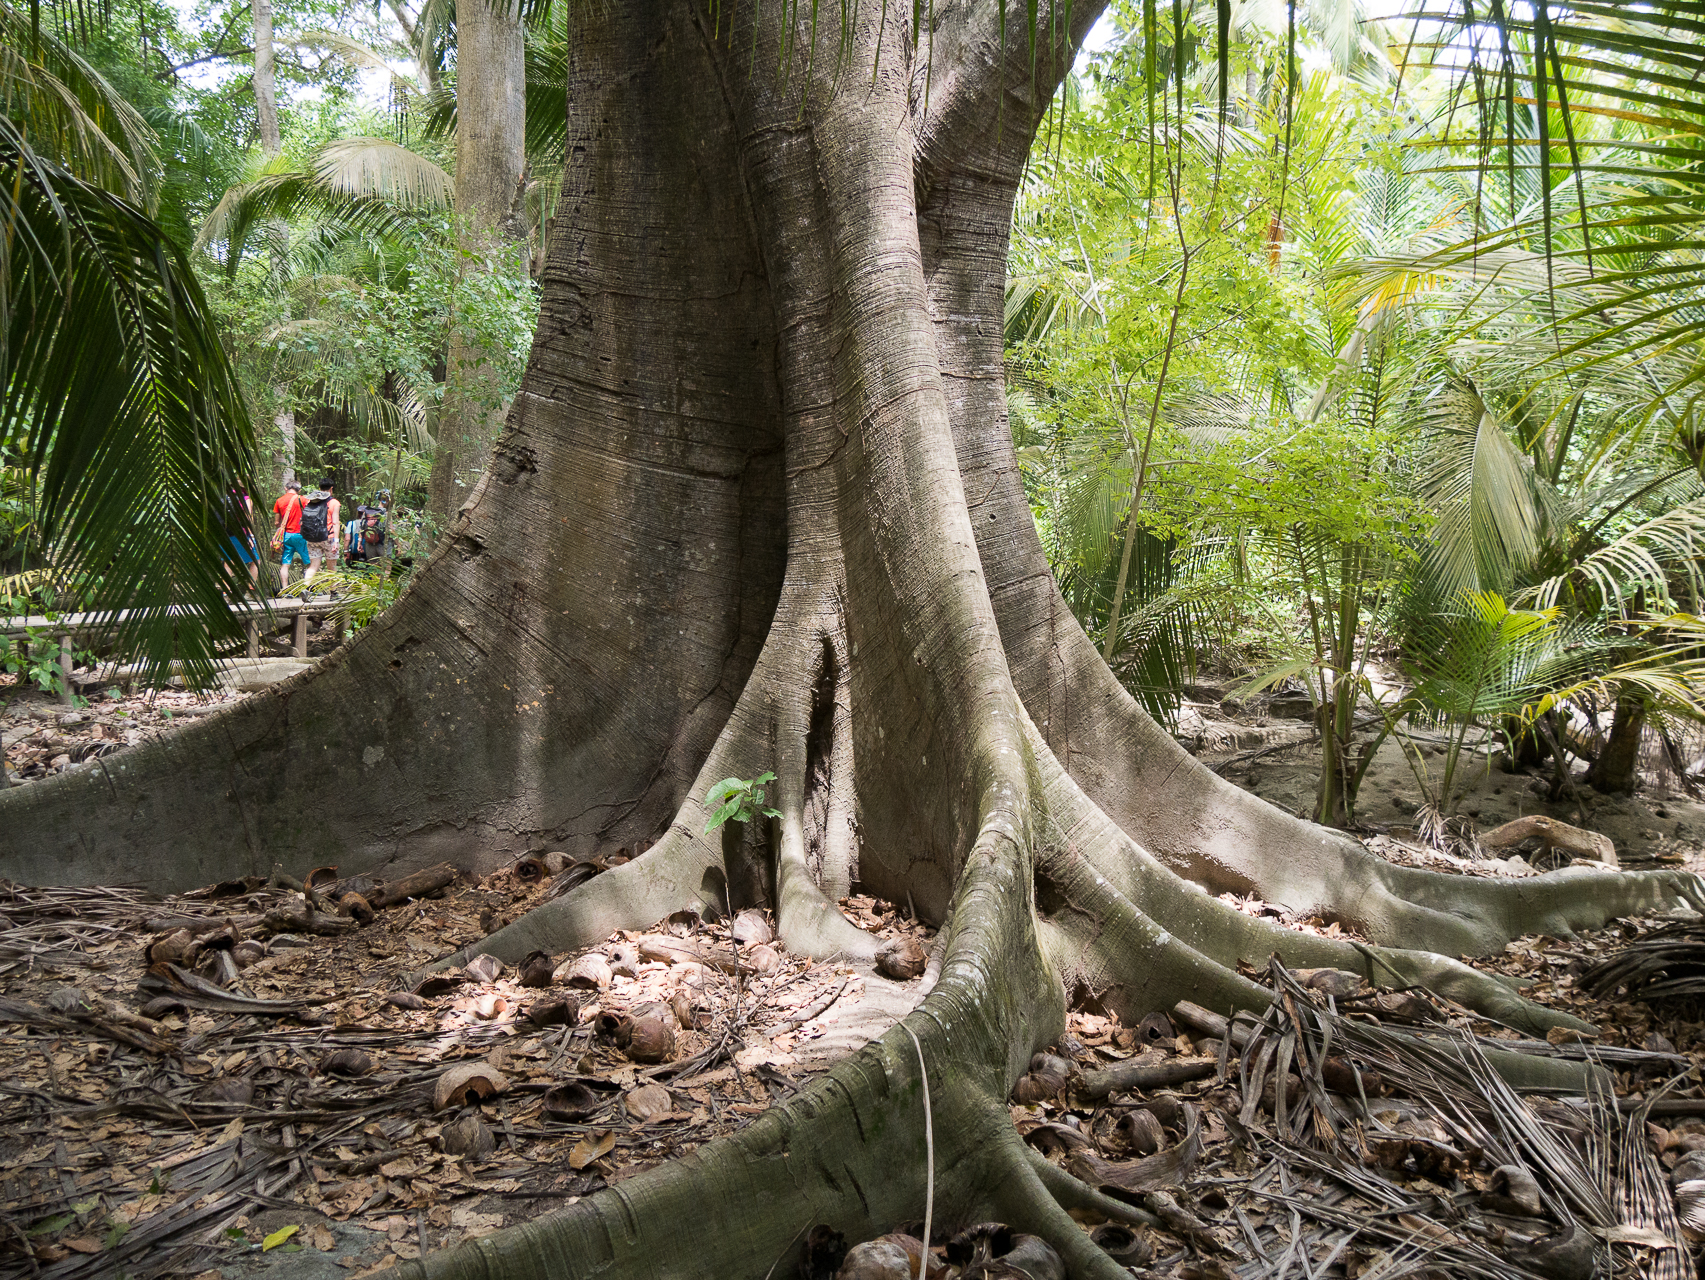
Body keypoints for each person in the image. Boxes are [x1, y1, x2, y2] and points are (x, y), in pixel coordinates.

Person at [298, 477, 341, 592]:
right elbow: (336, 522)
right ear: (331, 489)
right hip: (329, 538)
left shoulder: (310, 502)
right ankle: (334, 593)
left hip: (312, 538)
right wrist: (336, 541)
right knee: (332, 567)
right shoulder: (334, 503)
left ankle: (306, 588)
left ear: (320, 488)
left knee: (313, 565)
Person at [271, 479, 308, 591]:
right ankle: (307, 589)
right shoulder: (303, 500)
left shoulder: (279, 500)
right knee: (309, 563)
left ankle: (285, 589)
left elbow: (277, 522)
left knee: (285, 564)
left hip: (286, 536)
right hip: (301, 535)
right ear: (299, 489)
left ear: (286, 489)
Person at [220, 486, 259, 589]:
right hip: (242, 534)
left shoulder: (225, 498)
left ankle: (226, 590)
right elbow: (248, 518)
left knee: (229, 561)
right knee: (256, 560)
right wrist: (250, 535)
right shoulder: (246, 499)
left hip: (226, 532)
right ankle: (251, 589)